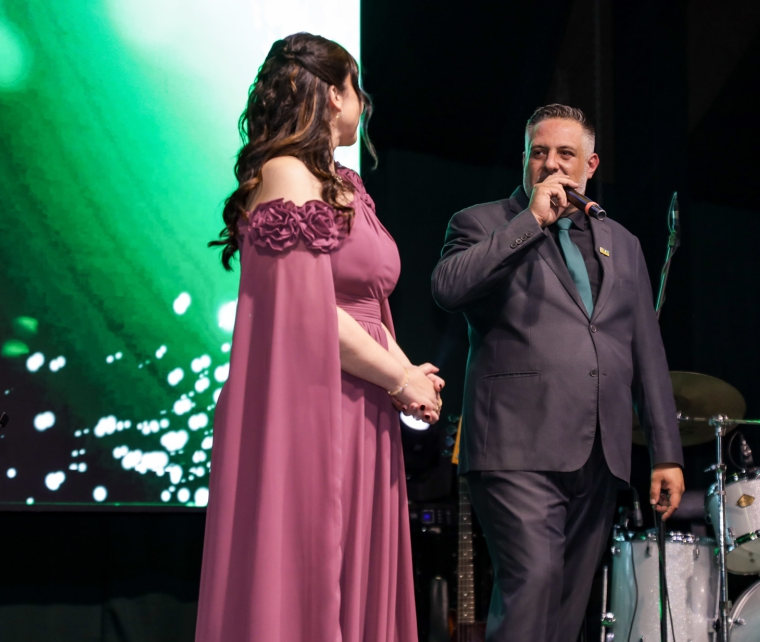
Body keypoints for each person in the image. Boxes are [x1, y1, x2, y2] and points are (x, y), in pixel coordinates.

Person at [197, 33, 440, 642]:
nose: (363, 103)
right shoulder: (286, 172)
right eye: (357, 88)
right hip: (313, 405)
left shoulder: (345, 181)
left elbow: (368, 303)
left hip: (364, 399)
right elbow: (309, 312)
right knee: (312, 571)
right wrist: (399, 378)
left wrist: (408, 376)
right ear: (334, 95)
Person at [431, 104, 685, 641]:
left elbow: (647, 351)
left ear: (590, 165)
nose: (551, 164)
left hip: (599, 453)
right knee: (533, 586)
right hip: (515, 447)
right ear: (525, 159)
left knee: (568, 607)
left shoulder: (623, 242)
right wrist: (530, 222)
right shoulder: (482, 222)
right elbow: (448, 288)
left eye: (565, 154)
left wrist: (666, 452)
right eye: (538, 153)